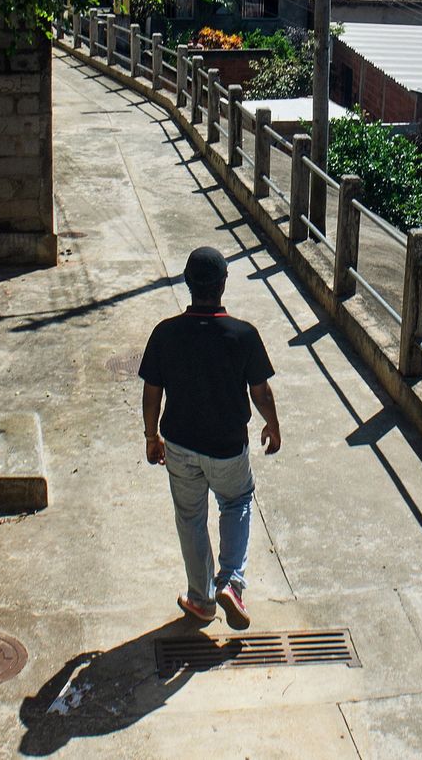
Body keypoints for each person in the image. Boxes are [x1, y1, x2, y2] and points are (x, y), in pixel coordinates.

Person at [139, 246, 279, 629]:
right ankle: (231, 582)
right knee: (235, 503)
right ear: (223, 285)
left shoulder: (165, 334)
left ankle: (200, 600)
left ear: (187, 284)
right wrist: (273, 425)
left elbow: (152, 392)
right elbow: (260, 392)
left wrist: (152, 437)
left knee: (191, 519)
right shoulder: (243, 334)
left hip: (181, 445)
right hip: (228, 448)